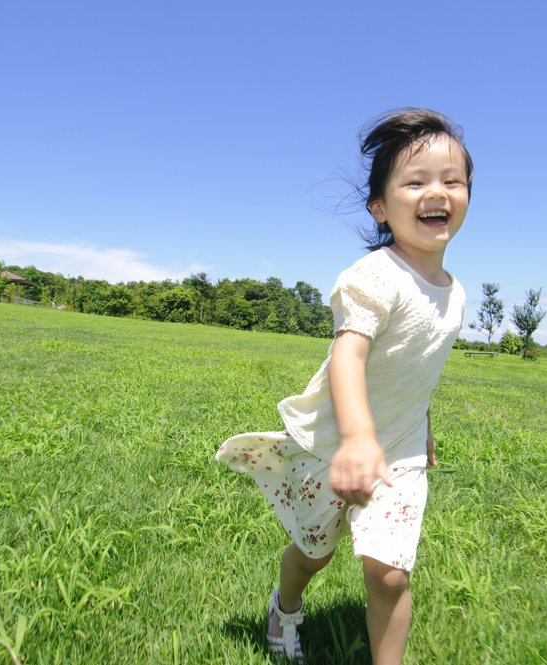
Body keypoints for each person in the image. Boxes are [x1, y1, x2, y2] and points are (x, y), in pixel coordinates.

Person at [216, 108, 473, 665]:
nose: (438, 192)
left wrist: (422, 428)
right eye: (416, 181)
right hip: (335, 446)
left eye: (452, 181)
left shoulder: (455, 294)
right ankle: (285, 608)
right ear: (381, 207)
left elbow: (418, 369)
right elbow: (347, 356)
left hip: (396, 455)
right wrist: (357, 439)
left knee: (388, 575)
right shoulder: (374, 277)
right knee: (313, 554)